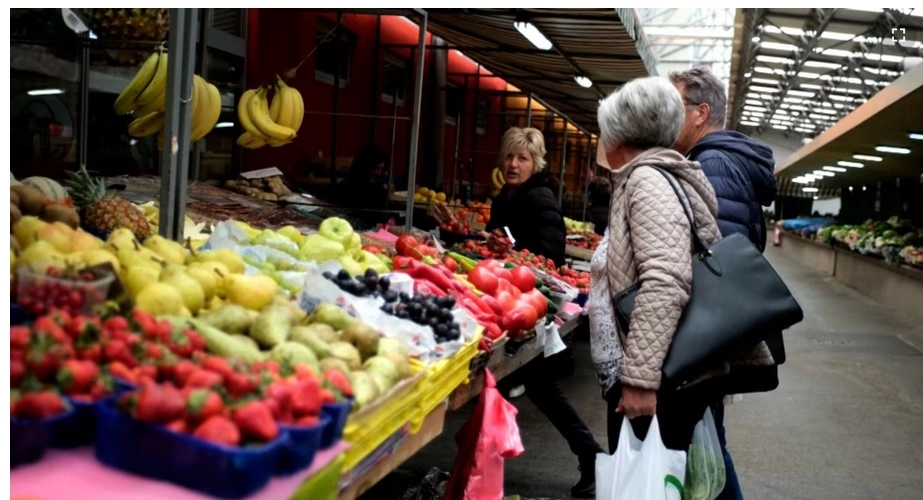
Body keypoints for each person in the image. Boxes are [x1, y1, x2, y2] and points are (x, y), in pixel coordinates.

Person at [589, 77, 775, 458]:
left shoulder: (646, 181)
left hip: (657, 380)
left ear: (617, 136)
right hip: (659, 371)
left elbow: (666, 279)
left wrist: (640, 380)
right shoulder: (648, 177)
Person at [434, 126, 604, 497]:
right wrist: (482, 243)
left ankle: (476, 473)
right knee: (522, 388)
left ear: (535, 162)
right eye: (509, 156)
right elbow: (499, 243)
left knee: (510, 387)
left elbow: (549, 255)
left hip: (526, 306)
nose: (514, 164)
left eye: (522, 158)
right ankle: (587, 459)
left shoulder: (539, 198)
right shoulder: (506, 197)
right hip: (505, 300)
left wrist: (506, 253)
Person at [669, 66, 779, 500]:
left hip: (709, 333)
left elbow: (717, 257)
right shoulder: (716, 159)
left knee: (706, 441)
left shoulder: (713, 163)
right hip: (714, 333)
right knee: (706, 442)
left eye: (674, 106)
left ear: (701, 112)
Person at [336, 144, 390, 212]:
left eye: (382, 169)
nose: (379, 173)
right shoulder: (348, 186)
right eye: (376, 168)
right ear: (366, 166)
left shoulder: (379, 187)